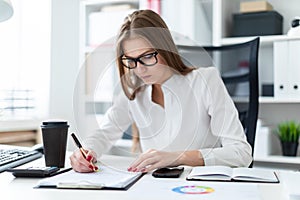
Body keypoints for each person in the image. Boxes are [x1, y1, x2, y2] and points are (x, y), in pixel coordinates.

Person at [70, 9, 252, 173]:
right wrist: (85, 151)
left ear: (166, 48)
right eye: (131, 60)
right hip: (153, 186)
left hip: (198, 187)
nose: (139, 69)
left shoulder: (205, 80)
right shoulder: (134, 93)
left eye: (147, 56)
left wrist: (178, 157)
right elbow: (104, 133)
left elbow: (241, 153)